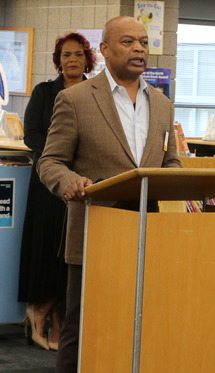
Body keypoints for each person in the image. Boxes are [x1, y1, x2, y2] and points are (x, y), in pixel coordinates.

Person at [37, 16, 181, 373]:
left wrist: (180, 181)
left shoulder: (162, 104)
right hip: (94, 231)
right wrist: (69, 181)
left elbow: (171, 161)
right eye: (128, 42)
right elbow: (50, 161)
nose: (139, 49)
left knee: (140, 325)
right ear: (104, 49)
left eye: (144, 43)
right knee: (83, 327)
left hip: (149, 234)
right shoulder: (75, 99)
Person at [18, 32, 96, 351]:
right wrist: (57, 157)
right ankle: (40, 314)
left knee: (73, 252)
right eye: (66, 55)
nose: (72, 60)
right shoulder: (44, 92)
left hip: (86, 182)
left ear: (88, 59)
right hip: (49, 182)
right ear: (58, 60)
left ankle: (63, 322)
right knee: (47, 245)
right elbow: (32, 135)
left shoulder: (98, 93)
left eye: (78, 54)